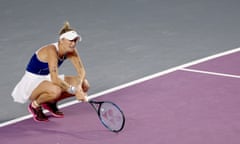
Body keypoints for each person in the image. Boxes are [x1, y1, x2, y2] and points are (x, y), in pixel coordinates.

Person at [11, 21, 90, 122]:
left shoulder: (71, 50)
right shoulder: (51, 50)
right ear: (61, 40)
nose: (73, 43)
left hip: (47, 78)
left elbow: (81, 70)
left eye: (75, 40)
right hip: (32, 82)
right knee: (55, 91)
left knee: (85, 85)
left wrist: (79, 87)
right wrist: (74, 90)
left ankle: (50, 102)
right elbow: (55, 79)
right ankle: (35, 106)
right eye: (70, 40)